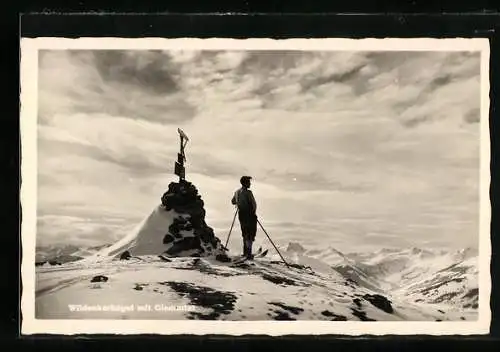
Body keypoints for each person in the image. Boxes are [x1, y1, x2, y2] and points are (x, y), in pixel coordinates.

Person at [231, 176, 258, 259]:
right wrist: (253, 213)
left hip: (241, 215)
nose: (250, 183)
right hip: (249, 215)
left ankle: (245, 252)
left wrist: (239, 204)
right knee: (251, 233)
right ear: (245, 183)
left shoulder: (237, 192)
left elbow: (233, 202)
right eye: (249, 182)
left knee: (245, 233)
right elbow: (253, 204)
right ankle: (248, 253)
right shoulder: (248, 193)